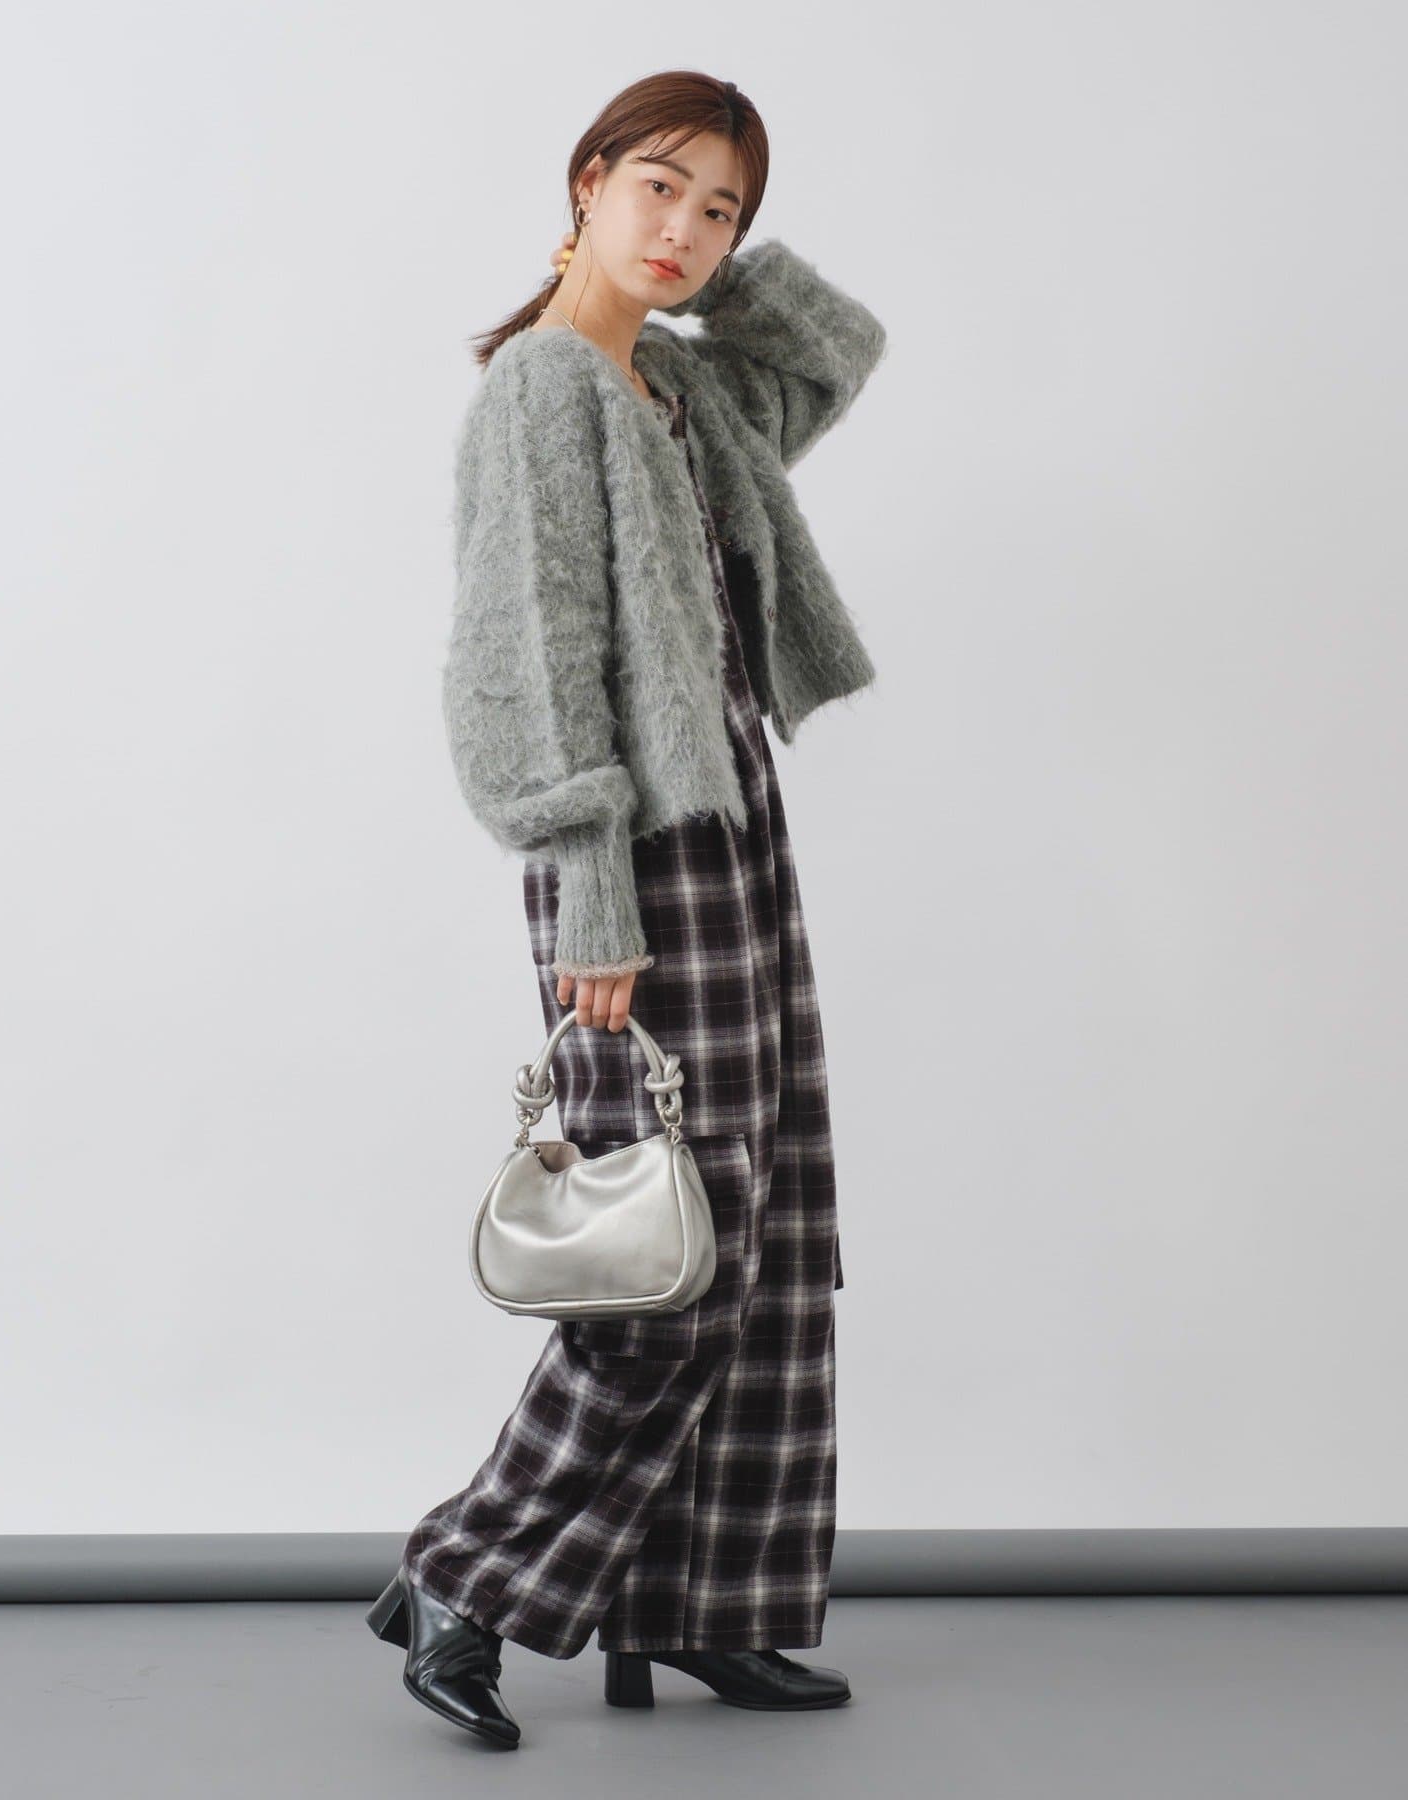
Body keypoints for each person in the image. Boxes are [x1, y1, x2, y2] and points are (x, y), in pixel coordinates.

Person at [366, 69, 888, 1748]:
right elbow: (520, 665)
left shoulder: (681, 387)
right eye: (660, 186)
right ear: (586, 180)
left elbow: (837, 356)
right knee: (671, 1256)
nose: (686, 229)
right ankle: (465, 1575)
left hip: (734, 827)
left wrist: (721, 275)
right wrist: (589, 886)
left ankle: (706, 1603)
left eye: (720, 209)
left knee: (764, 1229)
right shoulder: (543, 390)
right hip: (630, 863)